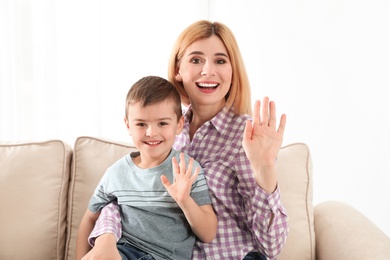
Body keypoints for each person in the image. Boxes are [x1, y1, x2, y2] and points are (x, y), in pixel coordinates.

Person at [84, 20, 288, 260]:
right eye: (196, 60)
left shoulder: (247, 136)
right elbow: (124, 200)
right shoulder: (165, 133)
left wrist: (265, 170)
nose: (208, 70)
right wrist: (106, 235)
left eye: (220, 61)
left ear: (233, 72)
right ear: (178, 70)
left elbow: (271, 248)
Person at [75, 75, 218, 260]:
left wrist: (184, 200)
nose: (151, 132)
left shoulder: (187, 169)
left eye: (162, 123)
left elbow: (208, 233)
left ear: (179, 124)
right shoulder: (116, 173)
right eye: (141, 124)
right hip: (124, 252)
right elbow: (89, 218)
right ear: (128, 125)